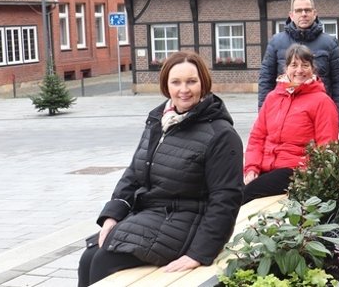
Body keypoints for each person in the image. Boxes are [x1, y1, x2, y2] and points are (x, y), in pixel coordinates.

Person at [77, 51, 243, 286]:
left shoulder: (221, 134)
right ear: (166, 85)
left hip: (186, 222)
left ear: (203, 83)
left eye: (191, 81)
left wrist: (199, 253)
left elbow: (226, 198)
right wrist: (113, 215)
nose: (183, 89)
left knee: (104, 261)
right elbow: (134, 172)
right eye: (176, 82)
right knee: (88, 257)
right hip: (151, 216)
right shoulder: (159, 121)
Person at [244, 44, 339, 204]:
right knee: (228, 191)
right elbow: (257, 137)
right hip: (265, 166)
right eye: (294, 65)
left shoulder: (322, 101)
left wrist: (312, 175)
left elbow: (327, 146)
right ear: (286, 68)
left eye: (305, 65)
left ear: (312, 69)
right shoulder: (273, 97)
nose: (299, 70)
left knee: (245, 194)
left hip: (296, 170)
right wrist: (251, 168)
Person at [259, 0, 339, 128]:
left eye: (307, 10)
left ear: (315, 13)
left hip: (319, 117)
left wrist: (338, 121)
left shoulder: (330, 44)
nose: (304, 14)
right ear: (291, 14)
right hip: (285, 117)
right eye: (299, 10)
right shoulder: (276, 43)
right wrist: (263, 118)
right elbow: (266, 81)